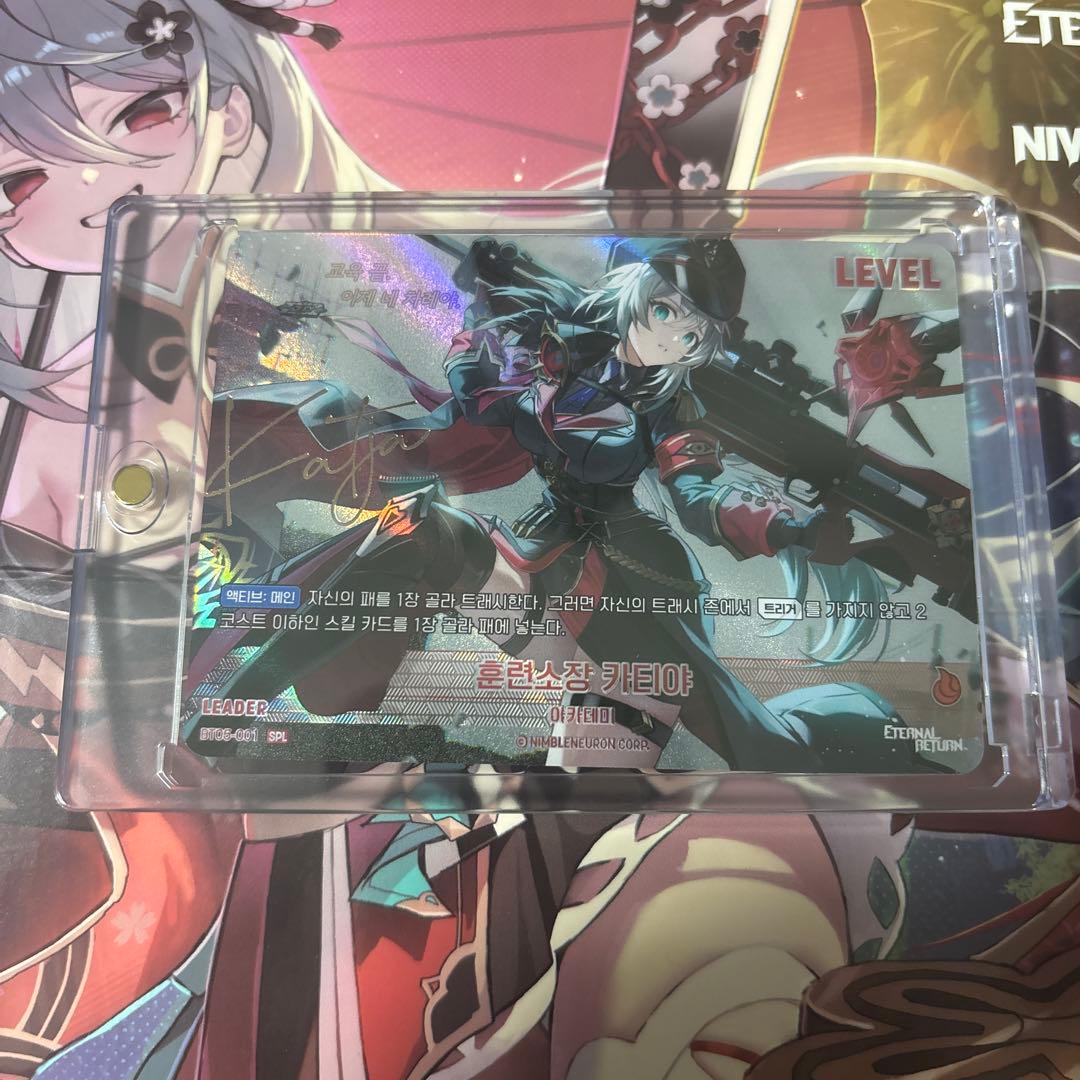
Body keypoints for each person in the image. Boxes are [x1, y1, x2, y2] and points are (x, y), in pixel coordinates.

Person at [192, 238, 936, 773]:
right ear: (636, 293)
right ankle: (228, 714)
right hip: (540, 558)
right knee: (419, 530)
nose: (671, 331)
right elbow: (476, 391)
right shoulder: (560, 349)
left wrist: (789, 528)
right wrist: (485, 312)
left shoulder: (671, 411)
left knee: (702, 766)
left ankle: (855, 741)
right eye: (665, 307)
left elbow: (699, 492)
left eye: (690, 330)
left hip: (631, 592)